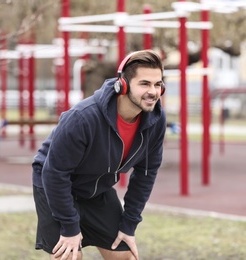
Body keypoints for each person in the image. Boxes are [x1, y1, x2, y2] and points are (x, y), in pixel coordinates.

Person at [32, 49, 167, 260]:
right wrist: (69, 226)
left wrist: (129, 224)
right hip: (55, 185)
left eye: (158, 84)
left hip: (97, 190)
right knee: (69, 256)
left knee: (125, 256)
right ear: (122, 85)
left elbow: (146, 174)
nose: (153, 91)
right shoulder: (83, 118)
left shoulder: (155, 120)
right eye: (144, 84)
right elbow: (55, 173)